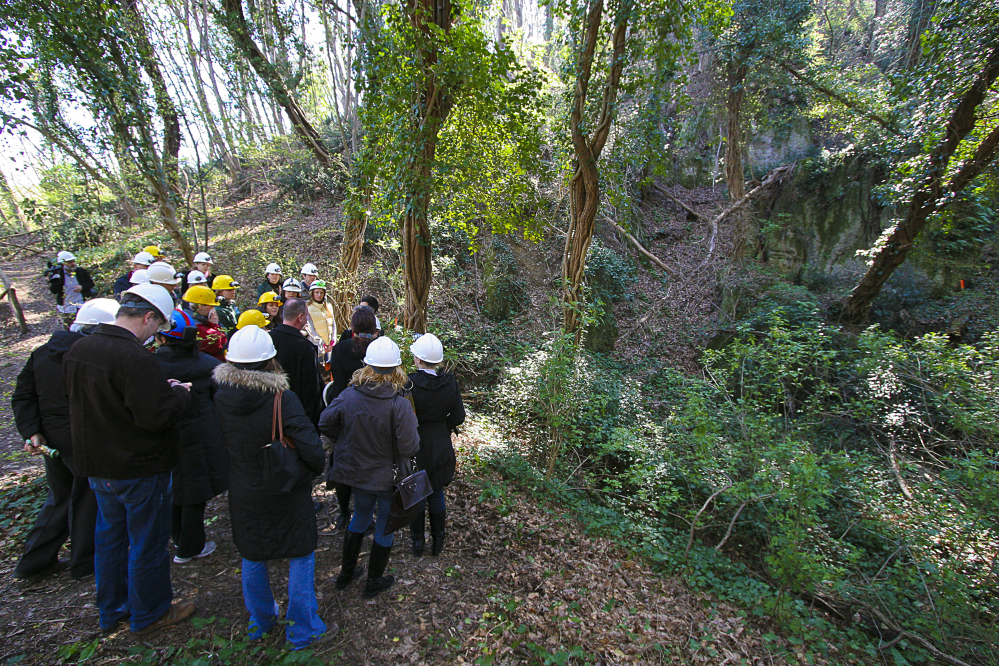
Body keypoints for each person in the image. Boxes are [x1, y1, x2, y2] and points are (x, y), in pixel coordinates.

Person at [63, 284, 195, 634]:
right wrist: (179, 394)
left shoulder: (80, 349)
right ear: (147, 317)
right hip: (138, 466)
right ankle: (150, 612)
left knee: (110, 540)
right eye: (158, 325)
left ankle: (112, 609)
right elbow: (157, 417)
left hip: (99, 466)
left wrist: (156, 389)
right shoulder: (135, 358)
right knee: (147, 542)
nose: (157, 334)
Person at [213, 326, 330, 649]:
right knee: (301, 553)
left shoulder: (221, 395)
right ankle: (302, 630)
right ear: (270, 361)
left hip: (243, 488)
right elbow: (312, 450)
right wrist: (310, 471)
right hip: (285, 487)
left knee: (252, 553)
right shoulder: (282, 398)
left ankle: (261, 621)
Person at [10, 299, 119, 581]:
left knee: (61, 498)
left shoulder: (42, 353)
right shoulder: (90, 358)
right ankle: (85, 563)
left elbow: (23, 395)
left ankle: (33, 562)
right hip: (83, 438)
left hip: (52, 439)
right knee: (87, 500)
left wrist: (32, 430)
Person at [320, 337, 419, 598]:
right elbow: (410, 447)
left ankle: (346, 574)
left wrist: (347, 441)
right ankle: (373, 581)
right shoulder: (399, 405)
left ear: (366, 366)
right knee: (385, 524)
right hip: (387, 477)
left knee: (360, 517)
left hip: (357, 473)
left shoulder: (349, 394)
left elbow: (326, 422)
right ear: (397, 369)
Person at [153, 310, 228, 565]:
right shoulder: (208, 366)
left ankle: (179, 537)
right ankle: (190, 546)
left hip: (165, 435)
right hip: (202, 435)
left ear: (162, 339)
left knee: (175, 485)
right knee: (195, 489)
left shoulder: (149, 366)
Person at [407, 334, 465, 557]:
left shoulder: (409, 384)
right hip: (440, 443)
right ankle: (438, 540)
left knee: (418, 493)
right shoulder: (449, 383)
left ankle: (418, 542)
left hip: (416, 443)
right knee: (437, 491)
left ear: (419, 360)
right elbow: (458, 415)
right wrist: (444, 427)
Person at [269, 298, 322, 427]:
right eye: (307, 316)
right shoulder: (305, 348)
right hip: (296, 415)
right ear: (300, 317)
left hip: (268, 411)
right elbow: (311, 390)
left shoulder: (268, 339)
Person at [48, 251, 96, 325]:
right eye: (69, 262)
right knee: (69, 326)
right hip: (66, 307)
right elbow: (54, 291)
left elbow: (91, 283)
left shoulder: (81, 271)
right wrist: (54, 279)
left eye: (73, 261)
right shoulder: (58, 274)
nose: (73, 264)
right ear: (62, 264)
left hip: (82, 304)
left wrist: (82, 287)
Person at [181, 286, 227, 362]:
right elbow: (221, 345)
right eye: (211, 306)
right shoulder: (197, 327)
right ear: (200, 306)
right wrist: (215, 325)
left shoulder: (188, 319)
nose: (213, 309)